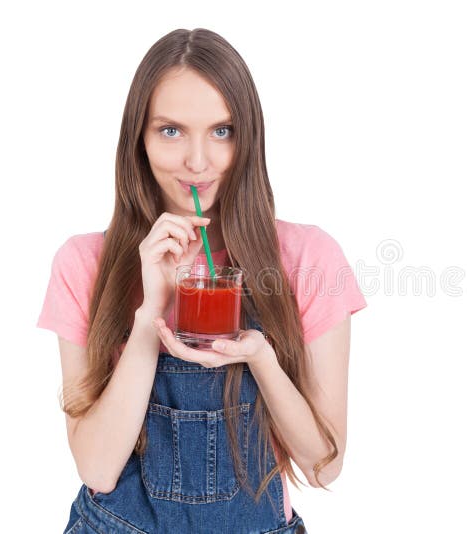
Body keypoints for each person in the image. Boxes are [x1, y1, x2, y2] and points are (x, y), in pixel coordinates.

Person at [36, 28, 367, 534]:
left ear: (248, 137)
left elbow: (325, 464)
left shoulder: (308, 258)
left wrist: (260, 358)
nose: (198, 161)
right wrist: (149, 315)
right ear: (139, 140)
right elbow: (97, 467)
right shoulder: (84, 263)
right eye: (171, 131)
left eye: (221, 131)